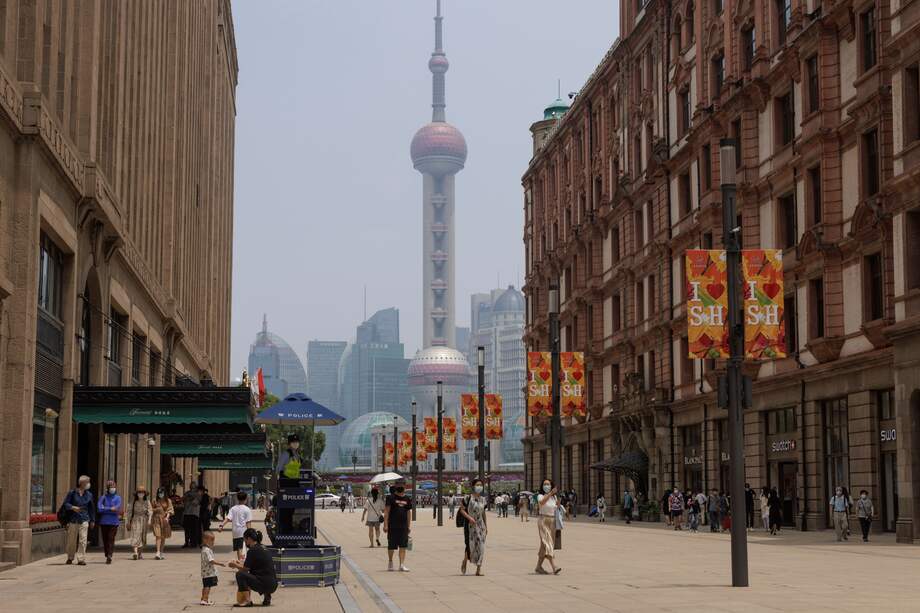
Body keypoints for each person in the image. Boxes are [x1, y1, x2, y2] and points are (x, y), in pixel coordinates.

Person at [229, 528, 278, 607]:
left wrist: (234, 565)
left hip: (264, 584)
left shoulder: (252, 550)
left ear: (249, 539)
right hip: (273, 585)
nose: (245, 542)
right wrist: (239, 563)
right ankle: (267, 597)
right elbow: (253, 565)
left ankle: (247, 601)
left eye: (245, 540)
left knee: (240, 575)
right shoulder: (264, 548)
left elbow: (245, 569)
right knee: (262, 574)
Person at [62, 475, 96, 565]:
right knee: (71, 540)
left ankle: (81, 559)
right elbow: (65, 504)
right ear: (82, 483)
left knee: (83, 540)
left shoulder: (89, 495)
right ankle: (70, 557)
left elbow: (91, 508)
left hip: (84, 519)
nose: (89, 484)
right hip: (73, 519)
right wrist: (73, 507)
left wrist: (92, 520)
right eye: (87, 482)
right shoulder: (72, 493)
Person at [459, 478, 488, 576]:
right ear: (473, 486)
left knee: (481, 546)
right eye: (477, 485)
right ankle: (465, 560)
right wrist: (469, 518)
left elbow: (483, 513)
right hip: (470, 525)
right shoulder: (467, 498)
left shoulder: (483, 499)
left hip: (480, 525)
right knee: (470, 545)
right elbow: (461, 510)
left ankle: (478, 569)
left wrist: (486, 526)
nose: (479, 487)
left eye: (481, 485)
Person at [383, 483, 413, 572]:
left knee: (403, 546)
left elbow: (408, 513)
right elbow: (386, 512)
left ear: (404, 488)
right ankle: (390, 562)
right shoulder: (390, 498)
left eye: (403, 486)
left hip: (403, 526)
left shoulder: (407, 498)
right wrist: (385, 525)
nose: (401, 487)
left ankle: (401, 565)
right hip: (392, 526)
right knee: (391, 546)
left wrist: (408, 526)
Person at [535, 479, 562, 575]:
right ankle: (554, 566)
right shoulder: (540, 496)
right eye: (545, 484)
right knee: (548, 543)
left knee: (544, 545)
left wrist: (558, 503)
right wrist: (550, 493)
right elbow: (542, 503)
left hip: (552, 521)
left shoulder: (553, 497)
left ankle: (538, 567)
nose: (546, 485)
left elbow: (555, 508)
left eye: (548, 484)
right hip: (543, 520)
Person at [220, 491, 253, 561]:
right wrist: (250, 532)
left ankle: (240, 562)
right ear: (246, 499)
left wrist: (221, 525)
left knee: (239, 548)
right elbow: (248, 522)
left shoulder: (233, 508)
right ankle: (241, 563)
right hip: (243, 531)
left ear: (237, 499)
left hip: (235, 532)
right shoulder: (247, 509)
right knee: (243, 548)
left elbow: (228, 518)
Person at [97, 480, 122, 564]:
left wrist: (105, 508)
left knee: (111, 538)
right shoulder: (103, 497)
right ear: (108, 488)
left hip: (114, 522)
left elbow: (117, 509)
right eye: (111, 487)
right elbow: (99, 509)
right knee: (105, 539)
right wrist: (110, 509)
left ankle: (109, 555)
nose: (112, 488)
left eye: (114, 487)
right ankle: (107, 553)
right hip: (104, 522)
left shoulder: (118, 498)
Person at [125, 485, 152, 560]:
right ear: (136, 493)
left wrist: (149, 520)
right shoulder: (133, 502)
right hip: (135, 520)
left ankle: (140, 554)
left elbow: (150, 511)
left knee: (142, 537)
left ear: (145, 494)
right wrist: (128, 522)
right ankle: (135, 553)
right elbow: (129, 512)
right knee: (135, 535)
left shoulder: (147, 502)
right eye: (139, 492)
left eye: (142, 492)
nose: (141, 494)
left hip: (144, 520)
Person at [200, 531, 226, 606]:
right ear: (205, 540)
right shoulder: (206, 550)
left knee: (205, 586)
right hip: (209, 573)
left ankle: (203, 598)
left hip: (206, 572)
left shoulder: (204, 549)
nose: (213, 542)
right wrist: (220, 563)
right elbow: (211, 560)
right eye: (211, 540)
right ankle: (205, 599)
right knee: (208, 586)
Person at [151, 487, 174, 559]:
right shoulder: (155, 500)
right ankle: (157, 552)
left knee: (163, 536)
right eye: (159, 492)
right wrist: (156, 510)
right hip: (156, 519)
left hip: (164, 519)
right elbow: (151, 509)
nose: (160, 494)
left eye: (162, 492)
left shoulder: (168, 501)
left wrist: (167, 517)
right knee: (158, 536)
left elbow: (170, 509)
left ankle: (161, 551)